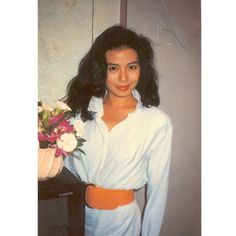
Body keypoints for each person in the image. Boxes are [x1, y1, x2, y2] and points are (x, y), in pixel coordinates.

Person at [64, 25, 173, 236]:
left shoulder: (156, 123)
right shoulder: (81, 114)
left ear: (142, 69)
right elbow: (67, 171)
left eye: (131, 67)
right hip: (76, 218)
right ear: (100, 70)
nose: (123, 78)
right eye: (113, 68)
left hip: (122, 225)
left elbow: (158, 192)